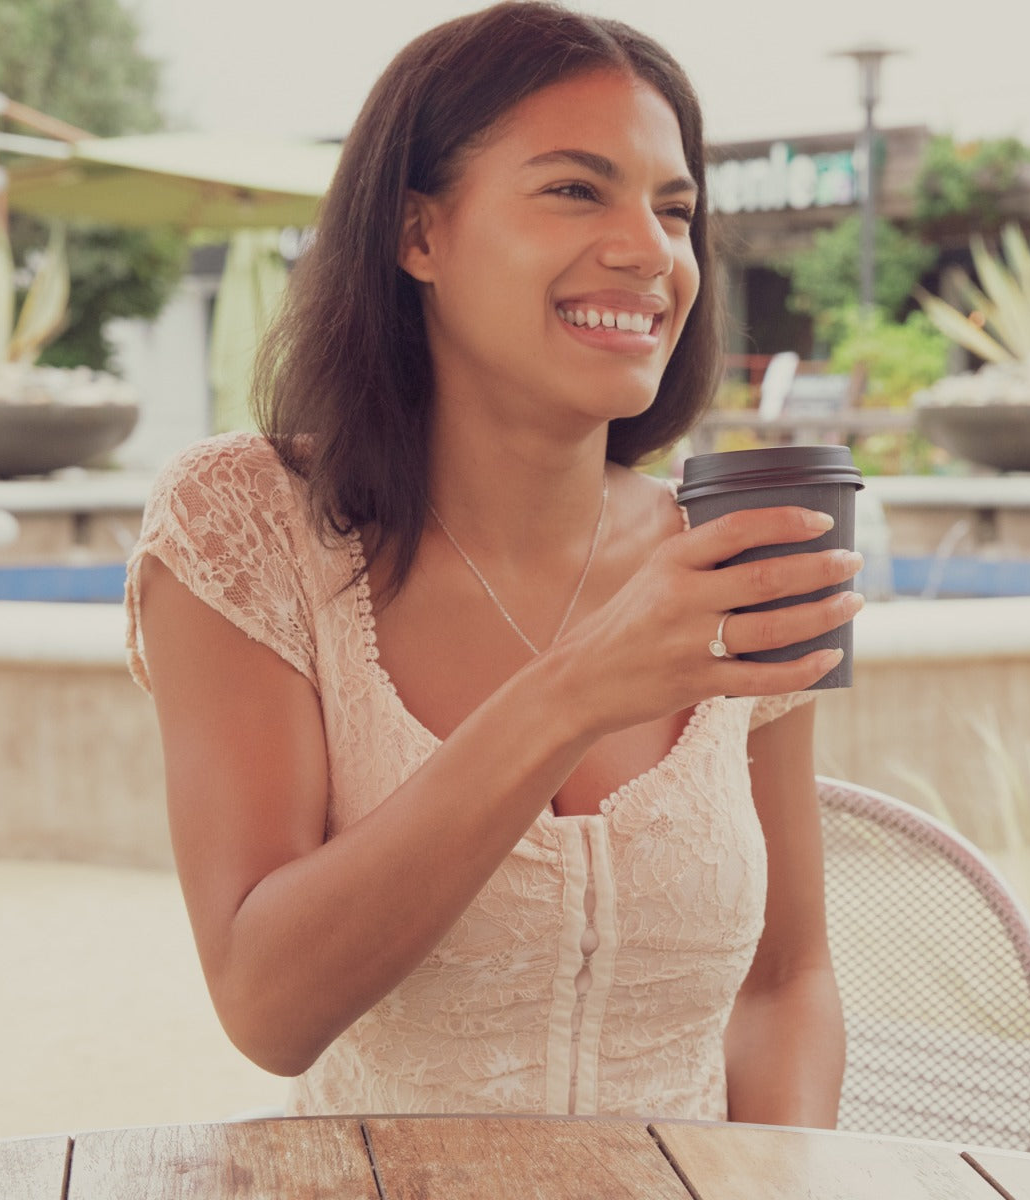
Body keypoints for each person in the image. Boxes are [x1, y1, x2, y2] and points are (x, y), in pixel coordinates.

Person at [126, 1, 861, 1126]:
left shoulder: (725, 559)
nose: (649, 249)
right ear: (418, 234)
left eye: (675, 209)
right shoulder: (249, 526)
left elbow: (783, 982)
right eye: (576, 188)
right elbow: (266, 1007)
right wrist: (575, 693)